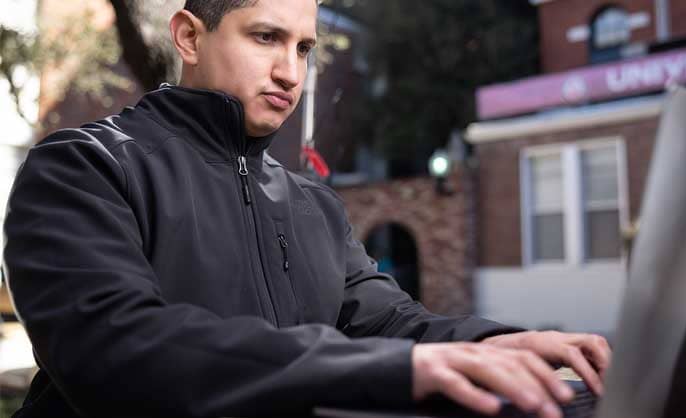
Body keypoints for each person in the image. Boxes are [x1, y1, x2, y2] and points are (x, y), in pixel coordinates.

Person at [3, 1, 611, 417]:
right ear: (189, 36)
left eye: (305, 48)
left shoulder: (314, 203)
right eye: (266, 37)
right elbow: (117, 351)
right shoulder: (83, 167)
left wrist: (504, 343)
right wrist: (391, 372)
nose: (290, 72)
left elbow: (389, 323)